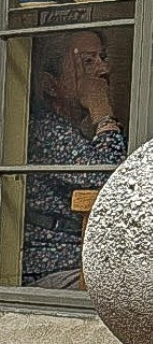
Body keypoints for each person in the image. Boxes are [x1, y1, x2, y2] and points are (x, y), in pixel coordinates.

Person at [24, 29, 127, 287]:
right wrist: (102, 112)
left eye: (102, 58)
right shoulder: (46, 129)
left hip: (83, 262)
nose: (104, 69)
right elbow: (111, 184)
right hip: (52, 268)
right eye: (88, 61)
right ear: (51, 84)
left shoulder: (78, 130)